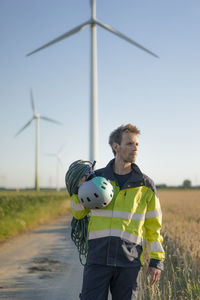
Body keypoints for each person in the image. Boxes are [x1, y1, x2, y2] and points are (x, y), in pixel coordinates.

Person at [67, 124, 165, 300]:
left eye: (137, 144)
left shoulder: (146, 185)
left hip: (129, 262)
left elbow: (153, 226)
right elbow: (78, 213)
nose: (135, 148)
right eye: (129, 144)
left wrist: (157, 260)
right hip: (97, 259)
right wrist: (78, 191)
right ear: (116, 147)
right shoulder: (95, 179)